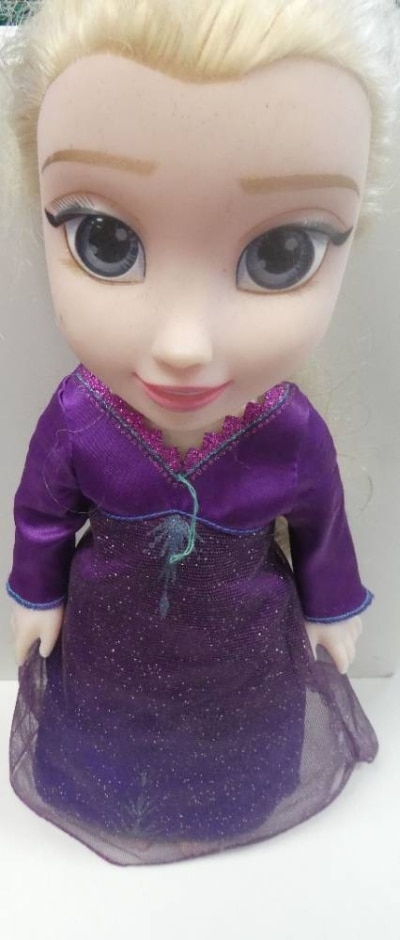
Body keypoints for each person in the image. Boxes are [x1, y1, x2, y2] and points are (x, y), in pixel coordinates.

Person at [3, 0, 399, 865]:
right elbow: (41, 511)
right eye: (105, 240)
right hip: (108, 644)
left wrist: (332, 608)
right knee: (110, 736)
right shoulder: (79, 415)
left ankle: (238, 798)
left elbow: (322, 525)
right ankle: (108, 791)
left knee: (237, 740)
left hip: (244, 647)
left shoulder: (287, 430)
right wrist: (36, 592)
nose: (183, 346)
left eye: (282, 253)